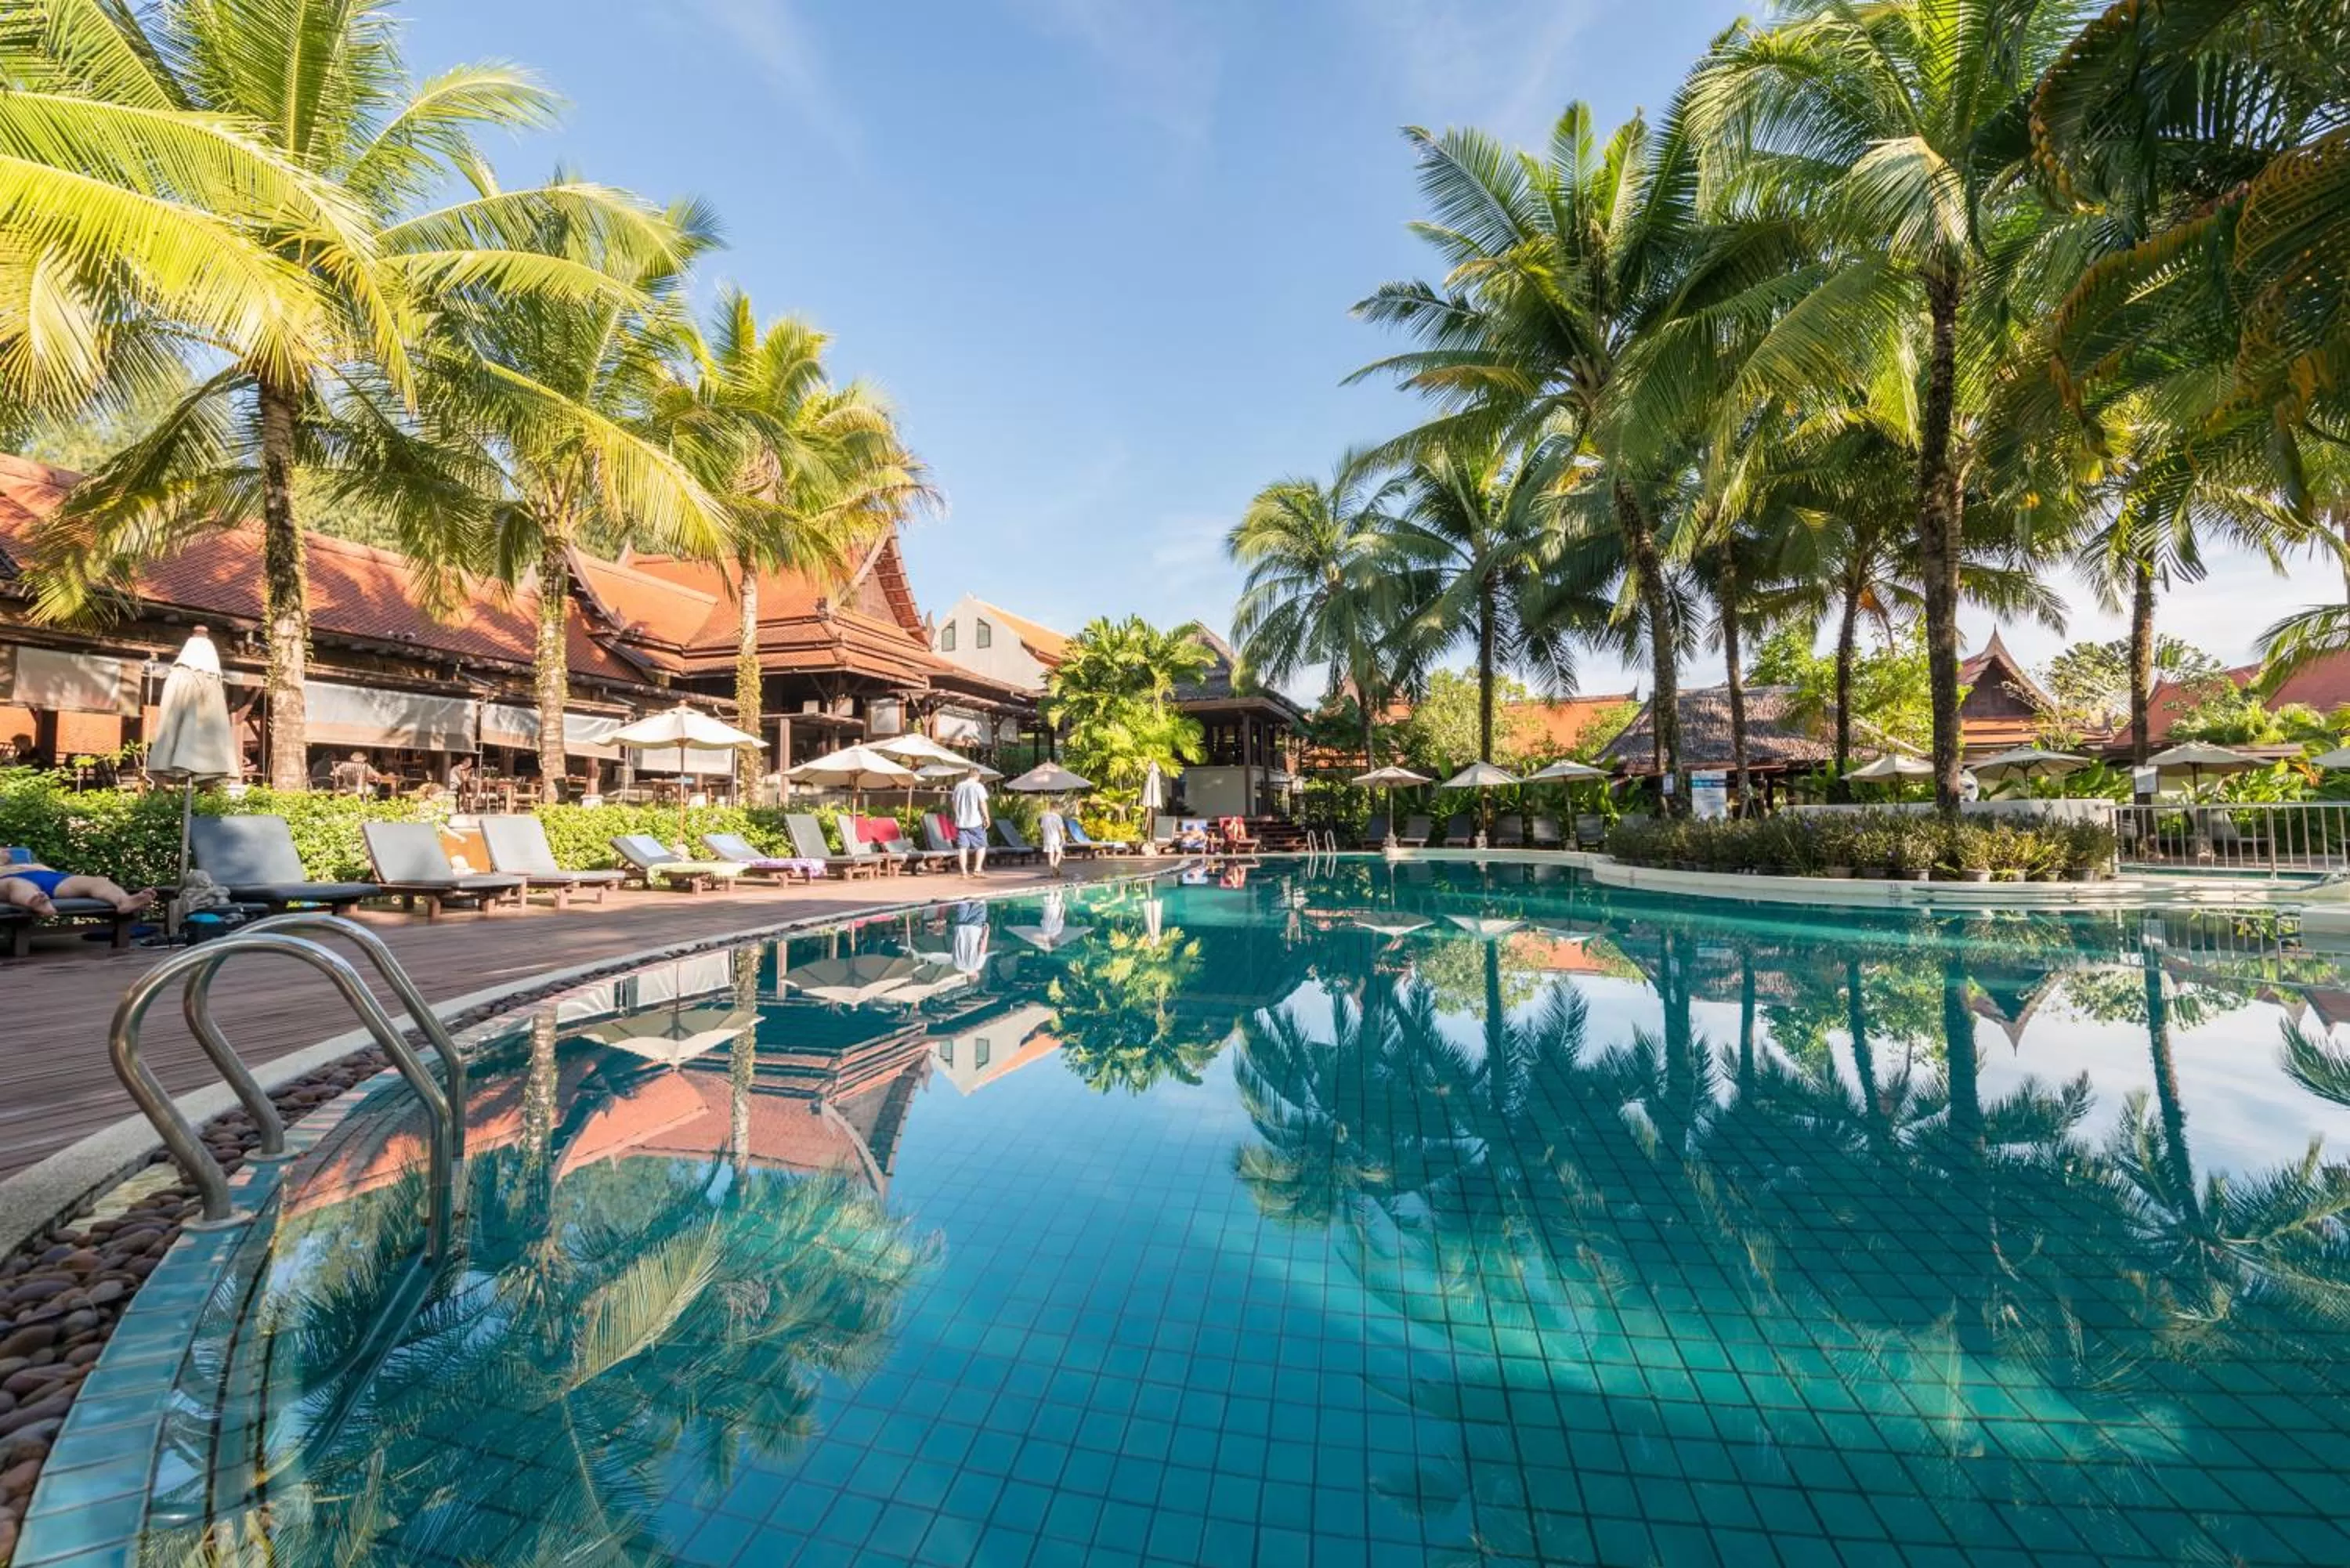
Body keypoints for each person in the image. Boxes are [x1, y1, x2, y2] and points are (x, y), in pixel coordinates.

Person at [1, 855, 157, 918]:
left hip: (53, 880)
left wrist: (29, 867)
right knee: (19, 885)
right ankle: (37, 904)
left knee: (97, 882)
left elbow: (51, 872)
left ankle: (123, 901)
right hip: (8, 880)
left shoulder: (29, 864)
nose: (5, 850)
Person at [952, 770, 991, 876]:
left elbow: (954, 803)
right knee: (982, 845)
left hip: (961, 822)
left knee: (962, 847)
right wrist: (987, 817)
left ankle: (964, 872)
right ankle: (977, 870)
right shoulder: (978, 786)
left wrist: (958, 815)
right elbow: (982, 803)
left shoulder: (959, 786)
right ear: (978, 776)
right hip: (975, 821)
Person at [1037, 799, 1067, 876]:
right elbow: (1061, 829)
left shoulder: (1044, 816)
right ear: (1057, 808)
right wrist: (1063, 838)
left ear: (1050, 807)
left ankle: (1052, 872)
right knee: (1059, 852)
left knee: (1051, 855)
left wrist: (1043, 836)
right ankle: (1055, 865)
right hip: (1056, 838)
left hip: (1047, 838)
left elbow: (1042, 828)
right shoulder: (1058, 817)